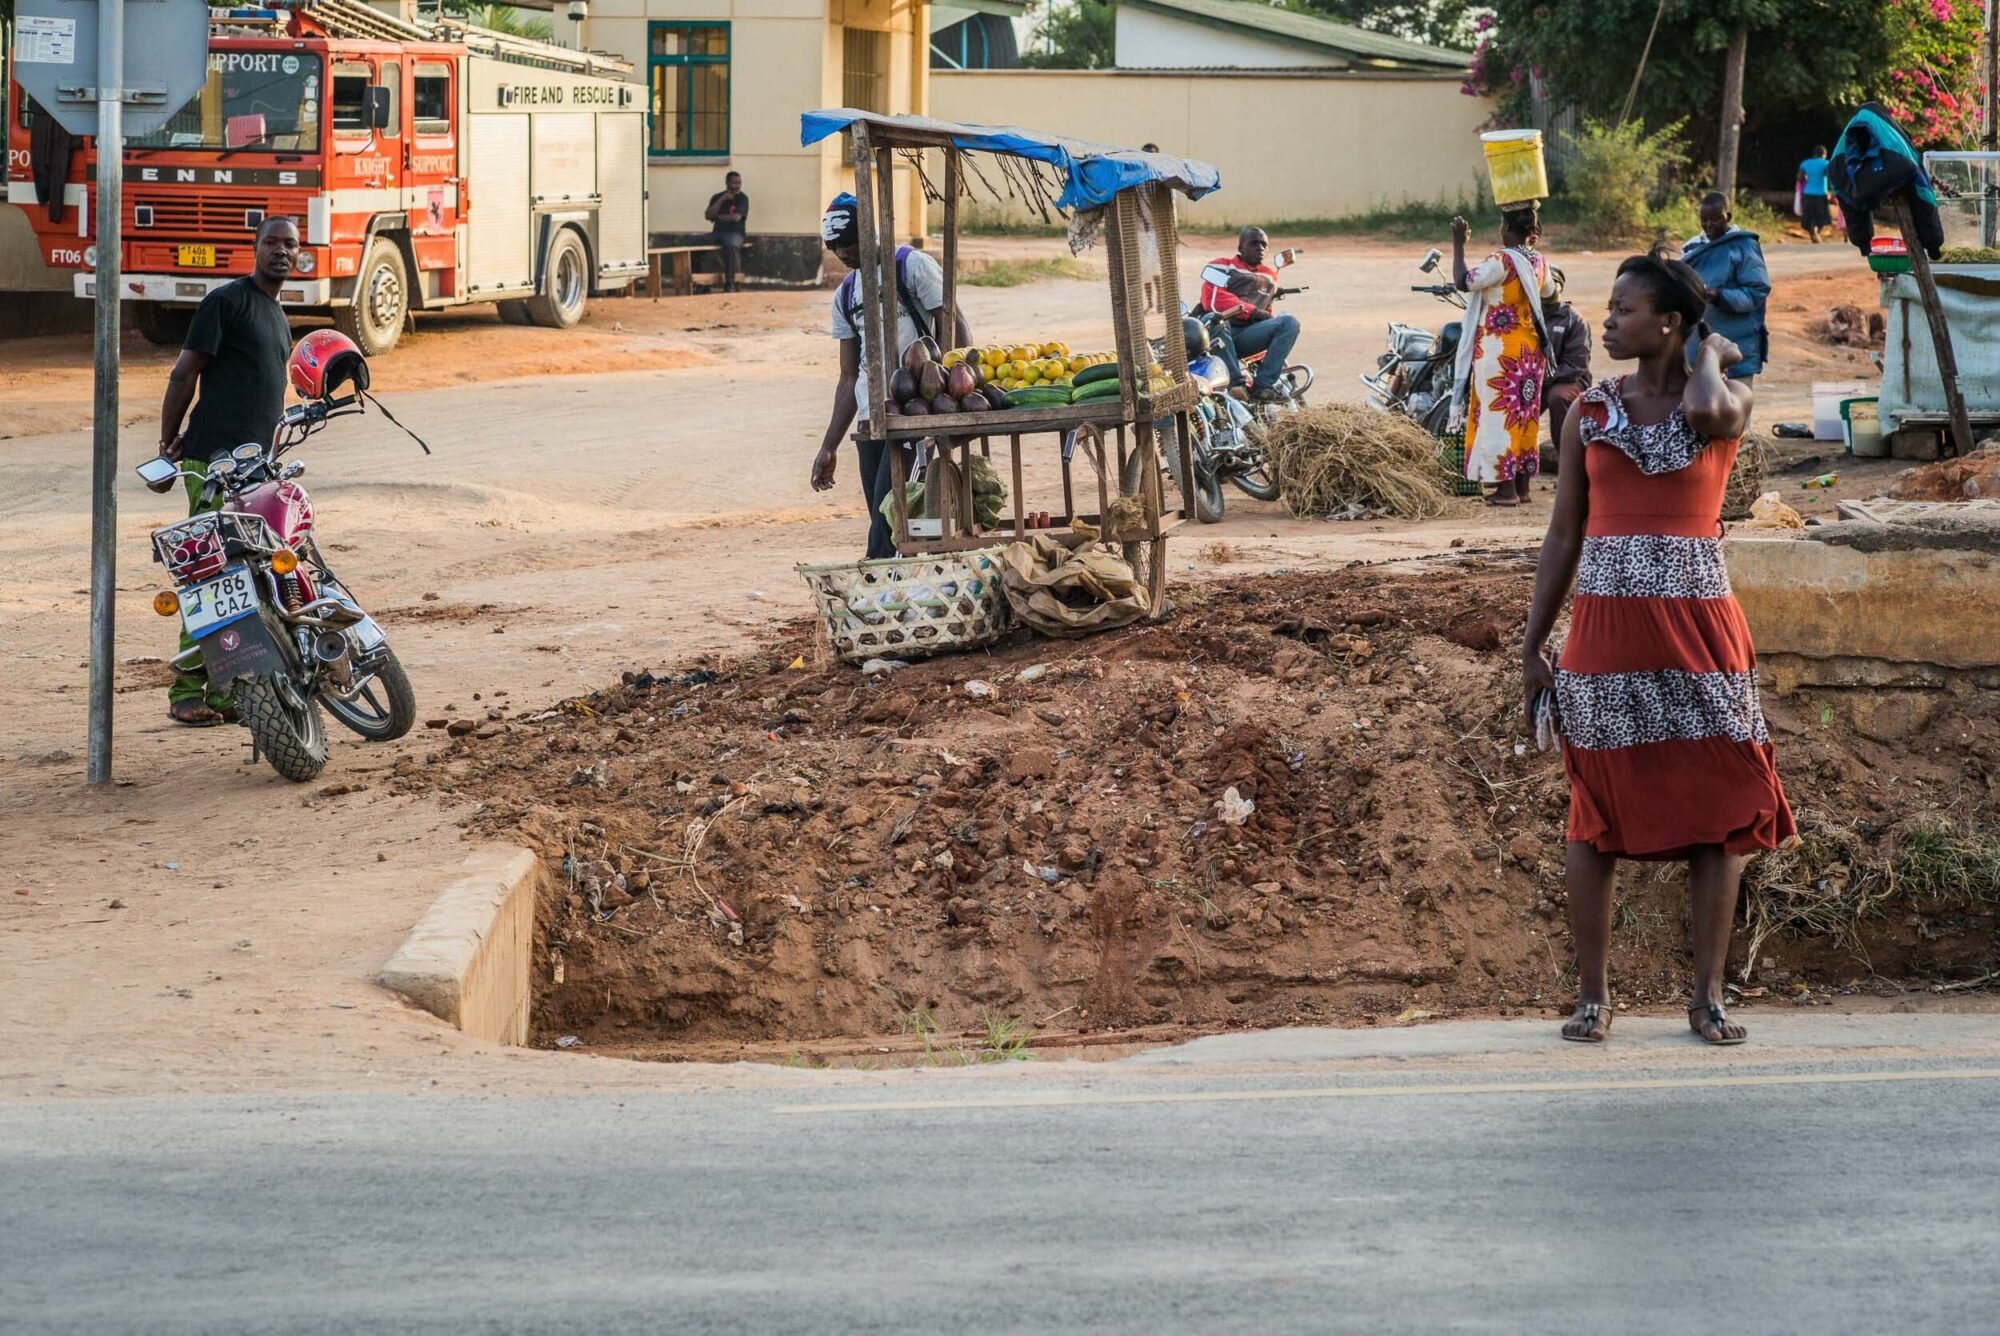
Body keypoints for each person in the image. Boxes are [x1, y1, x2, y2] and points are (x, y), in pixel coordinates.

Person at [1522, 252, 1794, 1048]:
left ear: (1670, 323)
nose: (1607, 321)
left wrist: (1712, 355)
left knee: (1722, 804)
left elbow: (1707, 411)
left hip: (1701, 633)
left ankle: (1706, 999)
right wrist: (1534, 644)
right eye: (1609, 309)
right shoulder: (1588, 413)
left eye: (1625, 309)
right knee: (1594, 812)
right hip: (1605, 632)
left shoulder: (1724, 399)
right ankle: (1593, 997)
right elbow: (1563, 533)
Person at [149, 215, 299, 726]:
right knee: (210, 574)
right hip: (214, 463)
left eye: (290, 244)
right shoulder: (226, 302)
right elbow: (183, 373)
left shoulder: (277, 315)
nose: (281, 251)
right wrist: (167, 445)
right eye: (272, 242)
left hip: (258, 469)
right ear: (254, 247)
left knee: (253, 576)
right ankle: (186, 691)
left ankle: (225, 692)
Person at [809, 194, 971, 560]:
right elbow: (848, 377)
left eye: (848, 243)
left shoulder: (909, 266)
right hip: (872, 419)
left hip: (913, 414)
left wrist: (952, 394)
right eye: (835, 248)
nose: (843, 253)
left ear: (868, 234)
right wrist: (829, 445)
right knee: (881, 514)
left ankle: (876, 575)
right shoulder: (845, 295)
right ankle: (895, 575)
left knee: (891, 514)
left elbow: (954, 324)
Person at [1450, 205, 1553, 505]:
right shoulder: (1538, 261)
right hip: (1530, 351)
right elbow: (1550, 293)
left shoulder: (1501, 261)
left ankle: (1506, 491)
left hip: (1500, 350)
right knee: (1524, 414)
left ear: (1507, 227)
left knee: (1499, 416)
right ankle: (1522, 488)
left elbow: (1463, 281)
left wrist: (1459, 244)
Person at [1197, 226, 1300, 403]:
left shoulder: (1269, 276)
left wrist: (1263, 313)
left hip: (1247, 336)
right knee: (1215, 319)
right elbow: (1214, 300)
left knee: (1289, 323)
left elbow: (1266, 314)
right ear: (1240, 247)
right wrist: (1253, 312)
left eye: (1264, 245)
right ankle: (1237, 385)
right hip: (1218, 333)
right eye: (1254, 243)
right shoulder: (1221, 266)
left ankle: (1263, 386)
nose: (1260, 248)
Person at [1681, 191, 1770, 385]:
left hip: (1737, 341)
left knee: (1736, 400)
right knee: (1698, 400)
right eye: (1704, 220)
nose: (1709, 225)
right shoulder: (1692, 247)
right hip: (1697, 344)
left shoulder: (1743, 246)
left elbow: (1756, 291)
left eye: (1715, 219)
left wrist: (1718, 295)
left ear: (1728, 217)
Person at [1538, 266, 1593, 475]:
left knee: (1558, 397)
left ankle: (1569, 465)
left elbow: (1576, 364)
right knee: (1513, 404)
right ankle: (1511, 469)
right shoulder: (1527, 315)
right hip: (1535, 379)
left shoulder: (1574, 320)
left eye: (1552, 284)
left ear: (1560, 287)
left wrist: (1543, 379)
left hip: (1569, 379)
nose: (1546, 289)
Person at [703, 171, 748, 293]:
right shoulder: (717, 197)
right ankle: (702, 284)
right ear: (727, 183)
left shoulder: (743, 198)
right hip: (717, 233)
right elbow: (708, 215)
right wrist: (722, 199)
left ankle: (730, 283)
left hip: (735, 233)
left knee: (731, 246)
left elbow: (736, 218)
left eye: (739, 183)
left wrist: (717, 217)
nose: (737, 186)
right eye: (734, 183)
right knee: (695, 243)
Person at [1797, 145, 1833, 243]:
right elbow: (1830, 177)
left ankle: (1813, 232)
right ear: (1824, 154)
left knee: (1809, 216)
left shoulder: (1805, 163)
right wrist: (1832, 191)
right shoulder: (1826, 163)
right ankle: (1815, 231)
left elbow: (1799, 178)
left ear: (1814, 154)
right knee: (1823, 217)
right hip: (1821, 194)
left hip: (1807, 193)